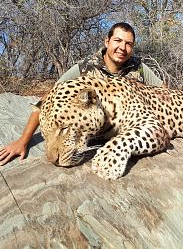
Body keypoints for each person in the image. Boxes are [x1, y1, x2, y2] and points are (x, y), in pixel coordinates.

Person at [0, 22, 165, 166]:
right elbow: (48, 101)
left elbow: (164, 92)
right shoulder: (85, 66)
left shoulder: (139, 67)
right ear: (107, 42)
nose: (122, 48)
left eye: (128, 44)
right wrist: (23, 141)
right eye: (118, 40)